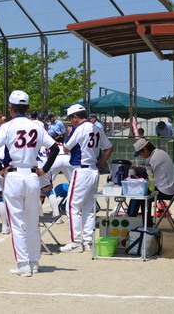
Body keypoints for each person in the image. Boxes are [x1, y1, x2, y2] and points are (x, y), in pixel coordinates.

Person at [0, 90, 59, 277]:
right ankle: (34, 261)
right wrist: (44, 170)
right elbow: (54, 148)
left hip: (13, 176)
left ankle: (23, 265)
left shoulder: (6, 126)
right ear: (28, 108)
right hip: (32, 175)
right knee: (32, 222)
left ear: (10, 108)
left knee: (17, 223)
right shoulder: (36, 126)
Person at [59, 104, 113, 253]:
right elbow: (109, 148)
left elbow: (66, 148)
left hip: (81, 170)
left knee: (72, 206)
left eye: (71, 119)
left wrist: (69, 133)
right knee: (89, 208)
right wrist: (100, 164)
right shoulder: (96, 127)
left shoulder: (79, 128)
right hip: (93, 171)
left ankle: (75, 242)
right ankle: (87, 242)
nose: (70, 122)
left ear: (75, 117)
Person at [130, 138, 174, 227]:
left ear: (145, 149)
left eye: (140, 153)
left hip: (166, 190)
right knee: (141, 194)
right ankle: (141, 222)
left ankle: (137, 222)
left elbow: (147, 175)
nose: (140, 155)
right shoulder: (156, 153)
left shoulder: (156, 157)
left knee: (140, 195)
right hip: (167, 187)